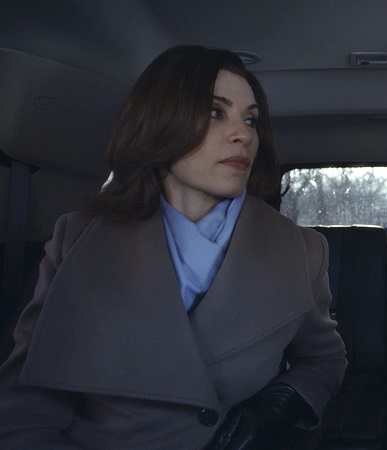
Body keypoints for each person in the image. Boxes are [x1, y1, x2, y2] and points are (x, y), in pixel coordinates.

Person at [0, 45, 347, 449]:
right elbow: (26, 410)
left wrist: (283, 401)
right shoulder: (77, 240)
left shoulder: (300, 250)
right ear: (159, 122)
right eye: (216, 112)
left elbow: (323, 359)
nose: (244, 134)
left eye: (250, 119)